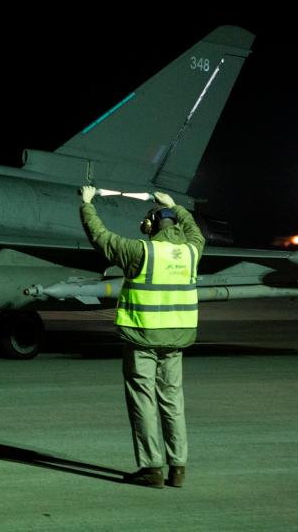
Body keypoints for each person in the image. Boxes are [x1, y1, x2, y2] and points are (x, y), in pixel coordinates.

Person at [79, 186, 204, 489]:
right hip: (176, 340)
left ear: (149, 226)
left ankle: (152, 468)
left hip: (142, 339)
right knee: (173, 402)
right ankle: (179, 468)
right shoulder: (192, 251)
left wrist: (86, 205)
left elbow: (101, 237)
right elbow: (194, 231)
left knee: (143, 401)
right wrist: (176, 206)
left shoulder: (141, 251)